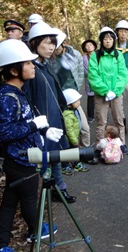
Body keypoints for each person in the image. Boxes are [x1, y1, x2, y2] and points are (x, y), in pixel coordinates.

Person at [0, 39, 61, 252]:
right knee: (29, 200)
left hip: (22, 156)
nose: (32, 66)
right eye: (27, 63)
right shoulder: (6, 98)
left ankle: (1, 246)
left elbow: (21, 123)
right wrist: (33, 125)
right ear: (14, 70)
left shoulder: (17, 92)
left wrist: (43, 130)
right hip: (20, 160)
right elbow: (6, 133)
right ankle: (36, 231)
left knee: (10, 203)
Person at [23, 21, 77, 204]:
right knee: (47, 159)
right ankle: (51, 191)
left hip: (54, 119)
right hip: (42, 123)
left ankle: (58, 189)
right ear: (34, 43)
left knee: (55, 158)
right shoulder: (30, 69)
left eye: (53, 42)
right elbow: (29, 99)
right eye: (46, 42)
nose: (51, 47)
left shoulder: (46, 65)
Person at [88, 27, 128, 154]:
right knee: (101, 122)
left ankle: (121, 144)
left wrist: (115, 91)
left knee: (119, 120)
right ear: (101, 40)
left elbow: (123, 74)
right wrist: (106, 91)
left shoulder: (118, 55)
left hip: (116, 94)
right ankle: (100, 146)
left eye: (110, 38)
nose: (108, 41)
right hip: (101, 95)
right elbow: (93, 76)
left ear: (114, 40)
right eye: (105, 38)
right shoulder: (96, 56)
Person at [51, 29, 91, 151]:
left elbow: (80, 74)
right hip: (59, 99)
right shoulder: (50, 59)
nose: (55, 50)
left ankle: (85, 151)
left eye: (57, 47)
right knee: (66, 128)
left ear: (64, 43)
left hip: (73, 98)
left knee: (84, 127)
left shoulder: (75, 54)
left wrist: (75, 91)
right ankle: (70, 155)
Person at [62, 88, 90, 174]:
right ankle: (66, 166)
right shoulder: (68, 115)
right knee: (67, 152)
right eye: (76, 101)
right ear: (69, 104)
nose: (79, 102)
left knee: (72, 151)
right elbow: (69, 130)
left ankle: (74, 164)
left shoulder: (74, 111)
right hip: (69, 138)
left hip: (73, 136)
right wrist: (74, 140)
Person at [81, 39, 97, 123]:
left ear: (94, 47)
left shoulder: (98, 56)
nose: (89, 46)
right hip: (89, 81)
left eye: (90, 45)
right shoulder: (83, 58)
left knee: (100, 99)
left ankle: (100, 115)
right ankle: (90, 116)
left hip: (99, 80)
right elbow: (85, 70)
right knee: (90, 98)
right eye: (87, 45)